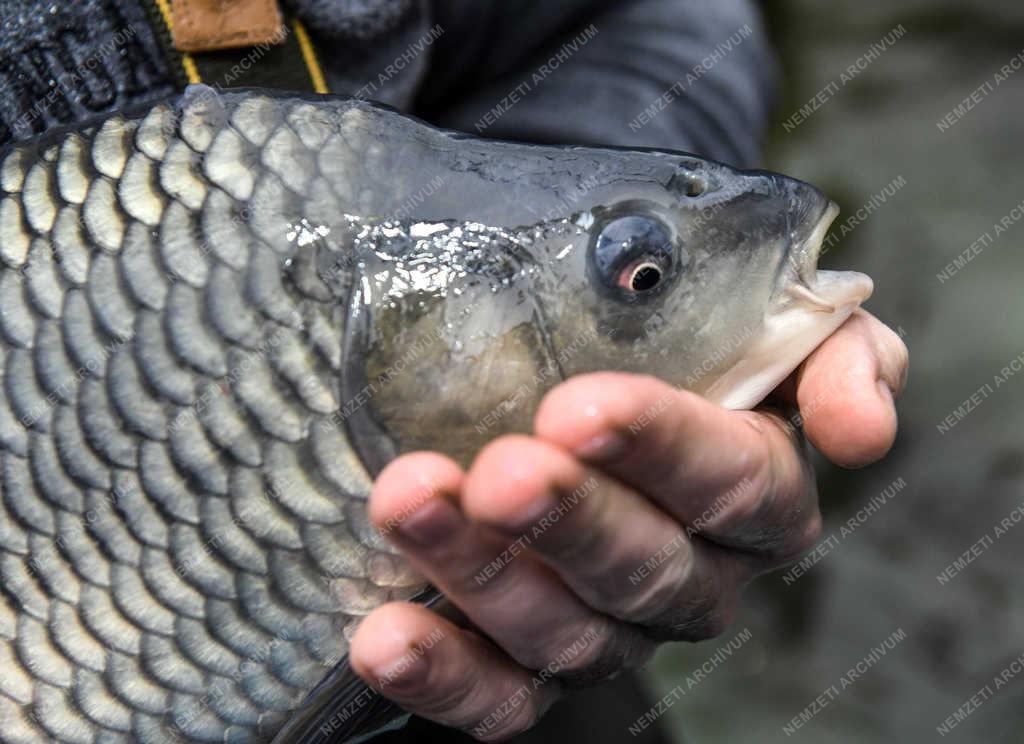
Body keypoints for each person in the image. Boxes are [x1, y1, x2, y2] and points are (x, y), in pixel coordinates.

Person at [0, 1, 907, 741]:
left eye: (637, 271)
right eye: (641, 274)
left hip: (480, 636)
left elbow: (639, 20)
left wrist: (566, 205)